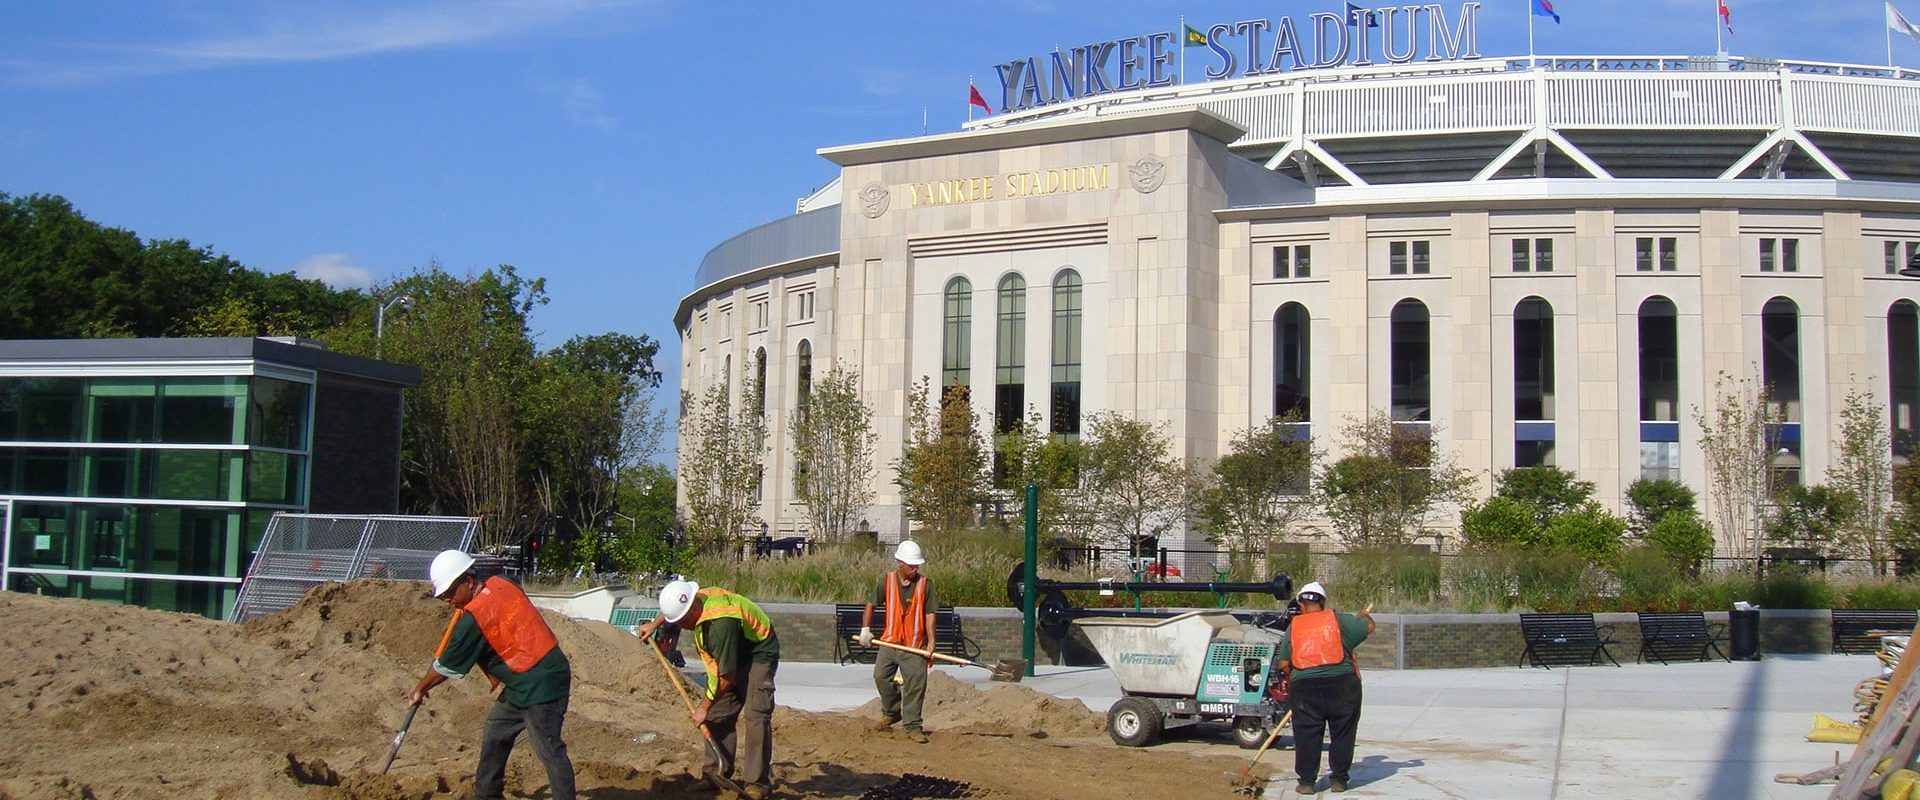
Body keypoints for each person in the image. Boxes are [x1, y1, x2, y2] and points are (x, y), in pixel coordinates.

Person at [409, 550, 575, 800]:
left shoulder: (474, 617)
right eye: (444, 596)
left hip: (543, 682)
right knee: (496, 732)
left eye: (450, 593)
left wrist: (420, 688)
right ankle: (487, 795)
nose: (449, 600)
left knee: (548, 748)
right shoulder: (503, 583)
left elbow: (445, 667)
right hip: (522, 681)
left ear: (468, 581)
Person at [638, 580, 780, 800]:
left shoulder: (720, 626)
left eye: (683, 621)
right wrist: (654, 626)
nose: (681, 626)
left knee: (756, 715)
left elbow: (725, 677)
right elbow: (673, 611)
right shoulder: (694, 599)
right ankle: (714, 773)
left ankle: (757, 783)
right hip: (732, 653)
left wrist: (702, 707)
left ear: (693, 610)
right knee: (718, 713)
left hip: (758, 652)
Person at [1275, 581, 1373, 795]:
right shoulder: (1338, 620)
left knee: (1307, 735)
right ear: (1323, 601)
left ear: (1301, 603)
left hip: (1305, 689)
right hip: (1343, 686)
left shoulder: (1295, 626)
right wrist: (1364, 615)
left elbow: (1283, 663)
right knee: (1343, 732)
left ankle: (1307, 782)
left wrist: (1293, 680)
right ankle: (1339, 780)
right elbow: (1369, 628)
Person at [858, 540, 937, 743]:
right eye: (911, 565)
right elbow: (870, 604)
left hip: (913, 644)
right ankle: (892, 711)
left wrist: (931, 642)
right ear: (900, 563)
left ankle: (912, 726)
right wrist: (865, 630)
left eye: (917, 565)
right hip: (890, 641)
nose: (915, 569)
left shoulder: (925, 585)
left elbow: (930, 615)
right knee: (880, 677)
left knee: (916, 683)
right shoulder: (886, 581)